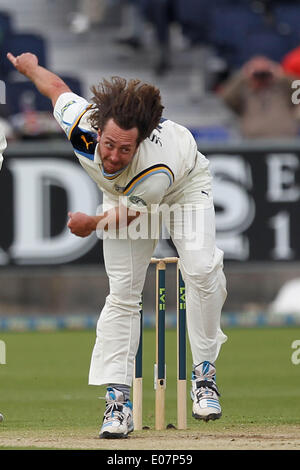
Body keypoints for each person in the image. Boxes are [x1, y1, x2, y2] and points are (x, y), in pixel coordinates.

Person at [7, 51, 228, 439]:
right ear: (99, 129)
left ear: (139, 143)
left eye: (124, 149)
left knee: (202, 269)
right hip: (123, 198)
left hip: (183, 190)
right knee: (123, 294)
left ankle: (204, 375)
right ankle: (117, 404)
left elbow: (129, 214)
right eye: (108, 144)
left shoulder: (154, 166)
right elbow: (56, 89)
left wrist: (91, 222)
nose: (111, 156)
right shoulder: (82, 123)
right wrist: (31, 68)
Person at [219, 55, 300, 139]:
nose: (261, 77)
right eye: (257, 73)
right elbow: (225, 96)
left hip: (285, 141)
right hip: (252, 143)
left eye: (265, 73)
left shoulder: (283, 89)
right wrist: (243, 76)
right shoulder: (244, 91)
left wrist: (281, 74)